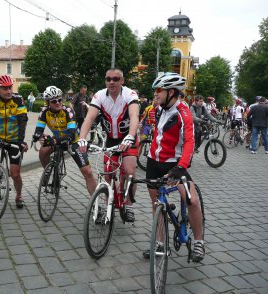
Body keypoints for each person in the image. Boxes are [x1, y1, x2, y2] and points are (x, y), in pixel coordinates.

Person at [143, 72, 204, 262]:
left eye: (159, 90)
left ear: (171, 92)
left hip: (174, 164)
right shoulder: (158, 108)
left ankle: (199, 243)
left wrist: (181, 166)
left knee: (191, 200)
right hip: (154, 162)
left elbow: (189, 142)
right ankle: (160, 243)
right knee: (157, 204)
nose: (156, 94)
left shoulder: (183, 111)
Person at [78, 68, 139, 222]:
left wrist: (131, 136)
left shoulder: (129, 94)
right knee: (107, 174)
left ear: (122, 81)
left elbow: (134, 116)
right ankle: (107, 206)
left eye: (116, 79)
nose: (112, 82)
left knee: (130, 170)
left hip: (127, 138)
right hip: (111, 140)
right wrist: (82, 138)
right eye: (108, 79)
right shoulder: (100, 95)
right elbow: (89, 118)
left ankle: (129, 206)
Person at [33, 86, 97, 195]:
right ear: (47, 102)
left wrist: (53, 141)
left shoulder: (68, 111)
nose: (58, 103)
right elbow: (38, 130)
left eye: (60, 99)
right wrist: (41, 137)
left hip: (73, 142)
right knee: (43, 151)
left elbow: (71, 134)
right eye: (54, 101)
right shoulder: (44, 112)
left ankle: (96, 205)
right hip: (57, 139)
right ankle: (48, 172)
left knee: (88, 172)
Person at [0, 74, 29, 208]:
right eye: (5, 88)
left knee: (15, 174)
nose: (8, 91)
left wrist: (20, 142)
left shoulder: (18, 99)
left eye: (10, 88)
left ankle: (19, 195)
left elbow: (22, 121)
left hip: (14, 139)